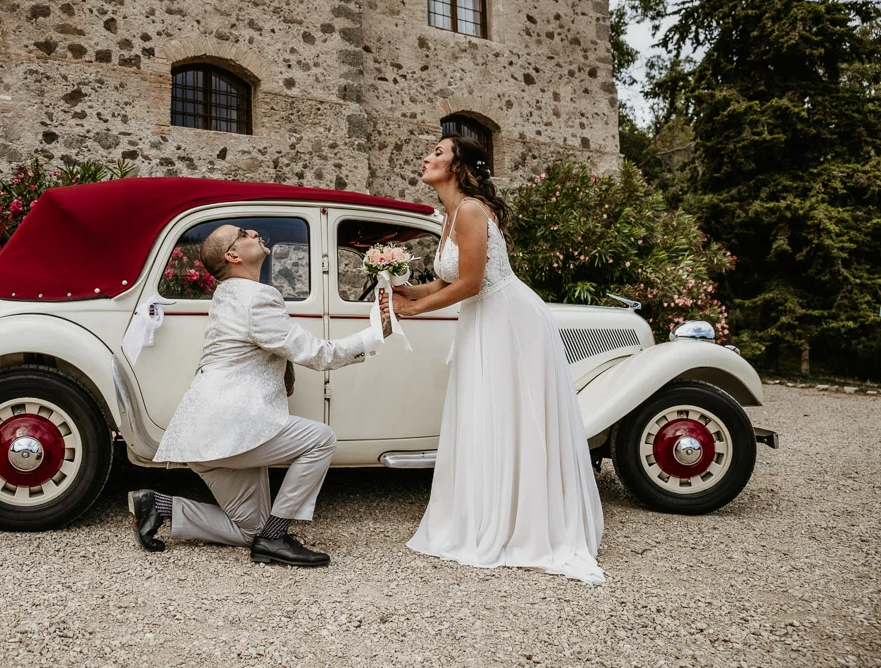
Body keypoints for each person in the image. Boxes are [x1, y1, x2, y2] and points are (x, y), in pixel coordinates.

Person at [380, 136, 605, 583]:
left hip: (509, 320)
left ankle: (527, 526)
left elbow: (471, 283)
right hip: (483, 319)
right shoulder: (449, 216)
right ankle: (492, 513)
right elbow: (449, 278)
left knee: (512, 415)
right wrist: (406, 292)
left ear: (458, 167)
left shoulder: (469, 210)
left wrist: (416, 309)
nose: (427, 157)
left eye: (438, 153)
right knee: (486, 413)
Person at [129, 224, 390, 566]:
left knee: (247, 529)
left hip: (203, 436)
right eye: (243, 233)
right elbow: (318, 354)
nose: (253, 232)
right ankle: (276, 536)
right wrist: (374, 336)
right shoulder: (256, 298)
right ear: (233, 256)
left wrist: (286, 370)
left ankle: (158, 505)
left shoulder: (228, 294)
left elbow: (259, 344)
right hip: (229, 428)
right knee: (320, 439)